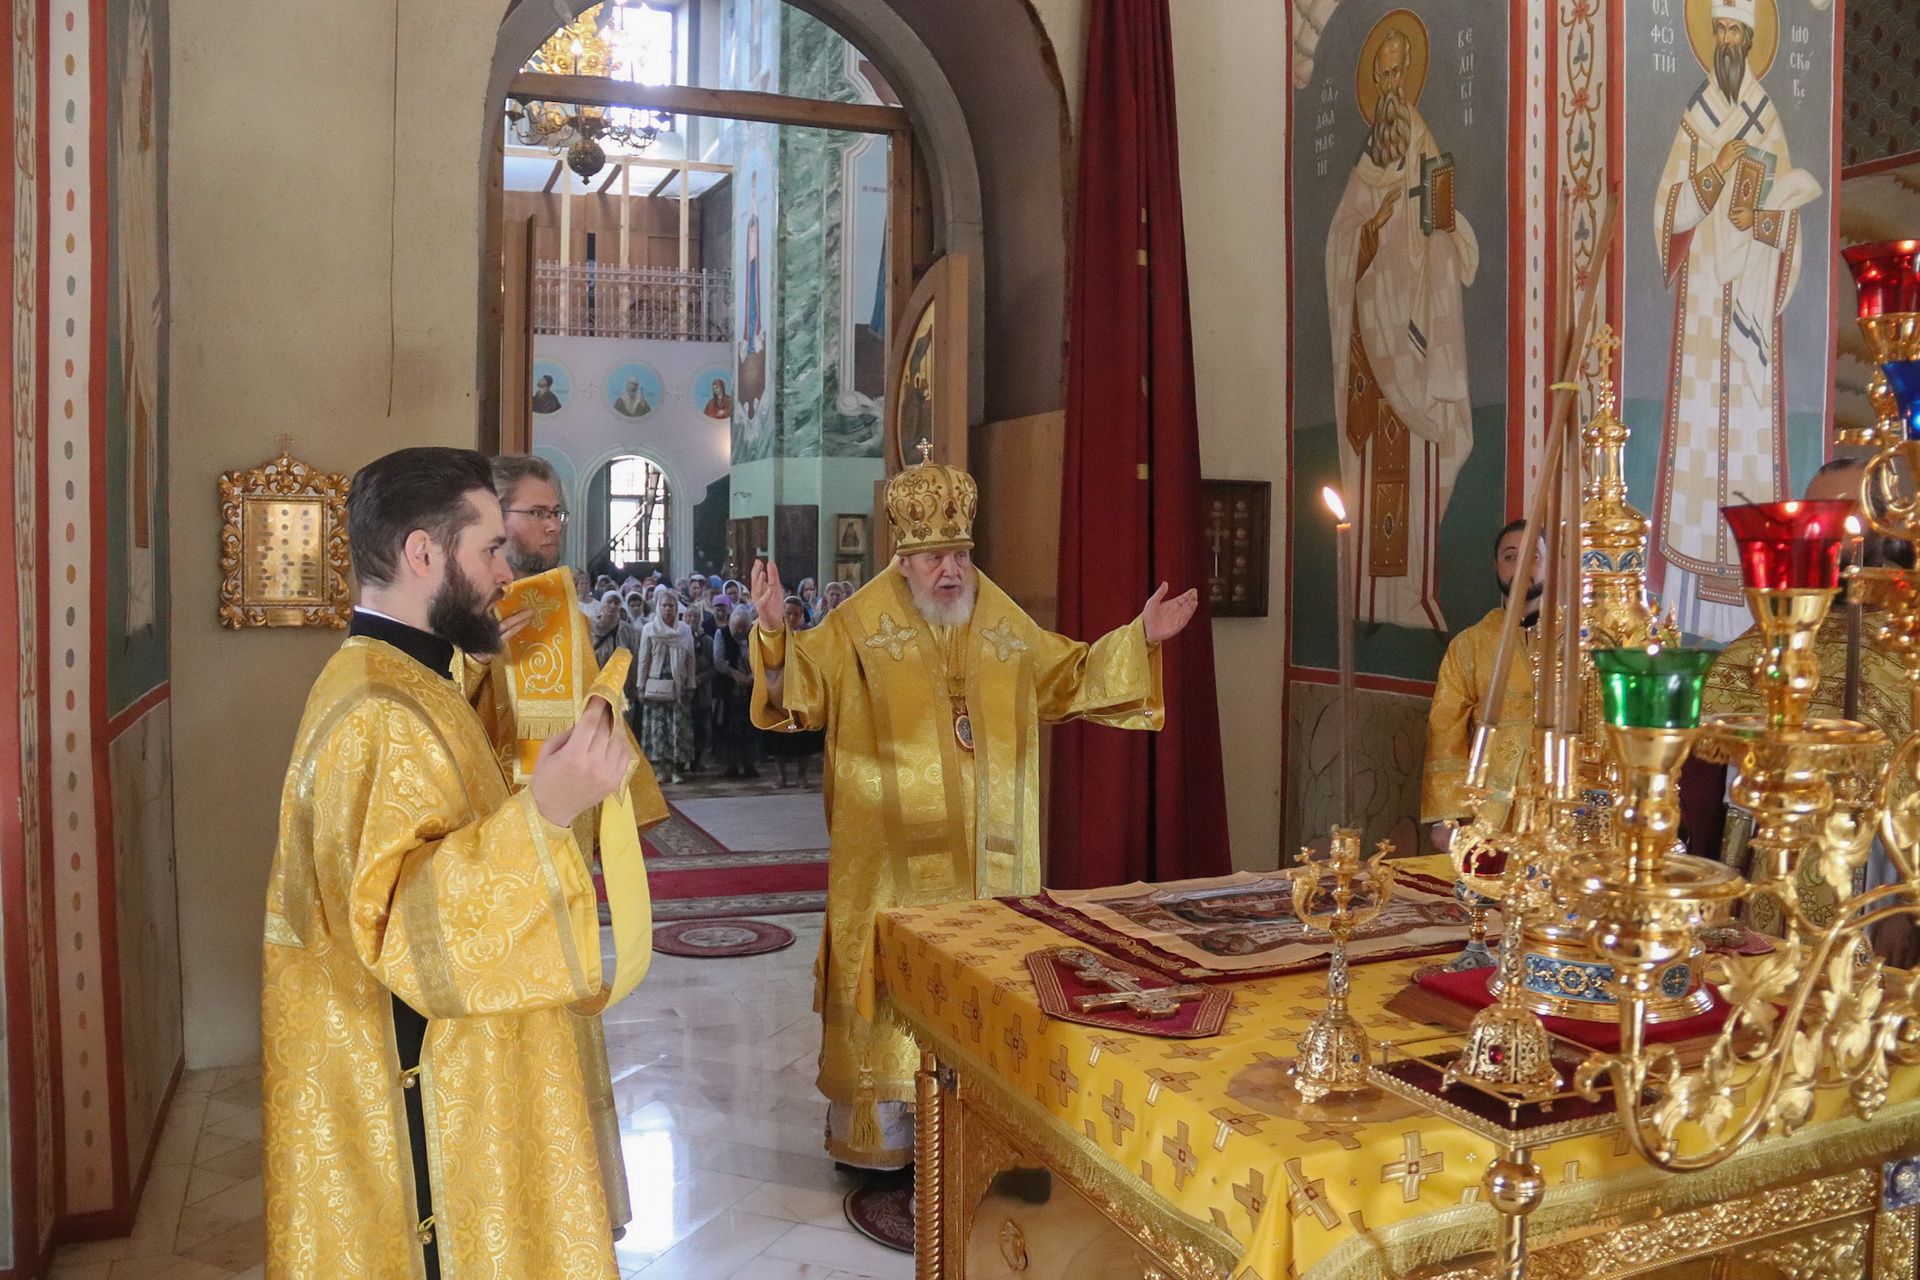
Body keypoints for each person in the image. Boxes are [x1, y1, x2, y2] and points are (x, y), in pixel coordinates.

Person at [749, 448, 1199, 1169]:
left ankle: (981, 1136)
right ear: (903, 561)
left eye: (960, 554)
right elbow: (798, 691)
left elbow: (1068, 674)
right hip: (889, 869)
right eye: (935, 558)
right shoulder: (858, 626)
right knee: (890, 988)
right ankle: (884, 1140)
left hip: (991, 867)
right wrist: (774, 634)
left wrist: (1139, 637)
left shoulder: (1001, 621)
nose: (952, 571)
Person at [263, 447, 638, 1279]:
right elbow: (406, 933)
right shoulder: (378, 710)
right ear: (423, 554)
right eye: (491, 549)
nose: (507, 572)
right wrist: (547, 813)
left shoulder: (410, 678)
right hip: (423, 1097)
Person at [1648, 0, 1822, 640]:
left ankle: (1748, 616)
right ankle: (1685, 610)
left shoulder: (1767, 119)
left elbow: (1789, 222)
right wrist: (1715, 173)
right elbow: (1669, 214)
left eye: (1734, 31)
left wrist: (1760, 220)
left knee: (1747, 443)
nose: (1725, 41)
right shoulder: (1694, 120)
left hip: (1749, 309)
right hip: (1702, 308)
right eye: (1717, 29)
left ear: (1750, 40)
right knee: (1699, 443)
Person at [1698, 458, 1916, 959]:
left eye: (1843, 514)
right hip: (1764, 871)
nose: (1823, 532)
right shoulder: (1775, 634)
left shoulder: (1910, 635)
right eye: (1815, 514)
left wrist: (1905, 909)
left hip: (1872, 886)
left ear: (1889, 523)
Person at [1327, 14, 1479, 632]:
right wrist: (1369, 228)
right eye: (1383, 76)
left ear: (1410, 77)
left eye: (1398, 75)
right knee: (1374, 473)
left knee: (1418, 463)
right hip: (1371, 339)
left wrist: (1435, 230)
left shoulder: (1424, 145)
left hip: (1414, 335)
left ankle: (1414, 595)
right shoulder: (1368, 159)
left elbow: (1441, 219)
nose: (1391, 87)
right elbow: (1339, 244)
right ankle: (1371, 602)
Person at [1420, 518, 1543, 849]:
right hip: (1488, 809)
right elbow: (1445, 731)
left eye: (1533, 555)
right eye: (1510, 556)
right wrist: (1448, 817)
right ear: (1496, 566)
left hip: (1559, 806)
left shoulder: (1579, 645)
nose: (1521, 566)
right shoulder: (1470, 646)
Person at [635, 584, 696, 784]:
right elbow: (643, 660)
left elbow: (691, 660)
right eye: (664, 606)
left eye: (671, 606)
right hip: (656, 685)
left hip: (678, 685)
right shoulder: (649, 629)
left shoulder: (684, 630)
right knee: (658, 729)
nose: (668, 609)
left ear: (676, 608)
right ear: (658, 607)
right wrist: (640, 686)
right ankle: (660, 770)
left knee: (677, 729)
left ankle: (676, 770)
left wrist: (690, 684)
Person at [713, 601, 759, 778]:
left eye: (743, 628)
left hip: (752, 688)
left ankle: (750, 763)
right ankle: (731, 764)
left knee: (750, 727)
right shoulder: (722, 634)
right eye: (736, 628)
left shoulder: (756, 634)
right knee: (731, 727)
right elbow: (718, 661)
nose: (739, 632)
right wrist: (735, 674)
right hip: (729, 689)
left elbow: (763, 658)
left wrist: (753, 675)